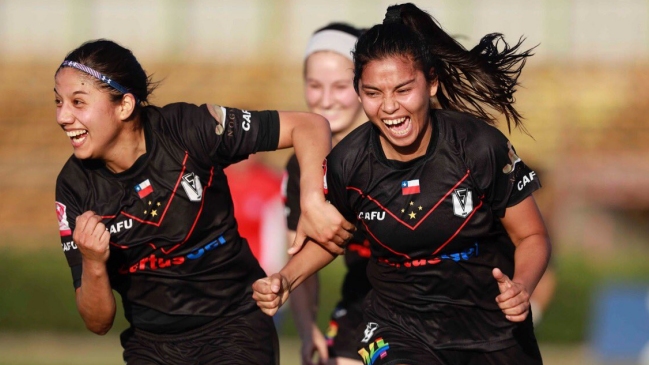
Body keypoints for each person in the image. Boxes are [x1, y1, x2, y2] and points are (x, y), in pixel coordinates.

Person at [253, 3, 551, 365]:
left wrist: (522, 287)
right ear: (360, 93)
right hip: (398, 326)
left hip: (489, 328)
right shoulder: (348, 162)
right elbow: (332, 237)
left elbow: (531, 236)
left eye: (403, 90)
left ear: (432, 82)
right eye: (374, 93)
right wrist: (285, 279)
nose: (390, 107)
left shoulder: (479, 147)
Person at [53, 39, 354, 365]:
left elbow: (309, 126)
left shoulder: (189, 129)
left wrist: (312, 201)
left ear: (124, 106)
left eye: (77, 102)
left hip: (235, 326)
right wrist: (94, 263)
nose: (62, 116)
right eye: (58, 102)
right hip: (151, 345)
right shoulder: (73, 187)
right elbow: (98, 323)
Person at [283, 23, 369, 365]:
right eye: (315, 85)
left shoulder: (399, 144)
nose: (326, 99)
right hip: (364, 297)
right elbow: (299, 254)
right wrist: (306, 330)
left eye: (340, 86)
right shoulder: (299, 165)